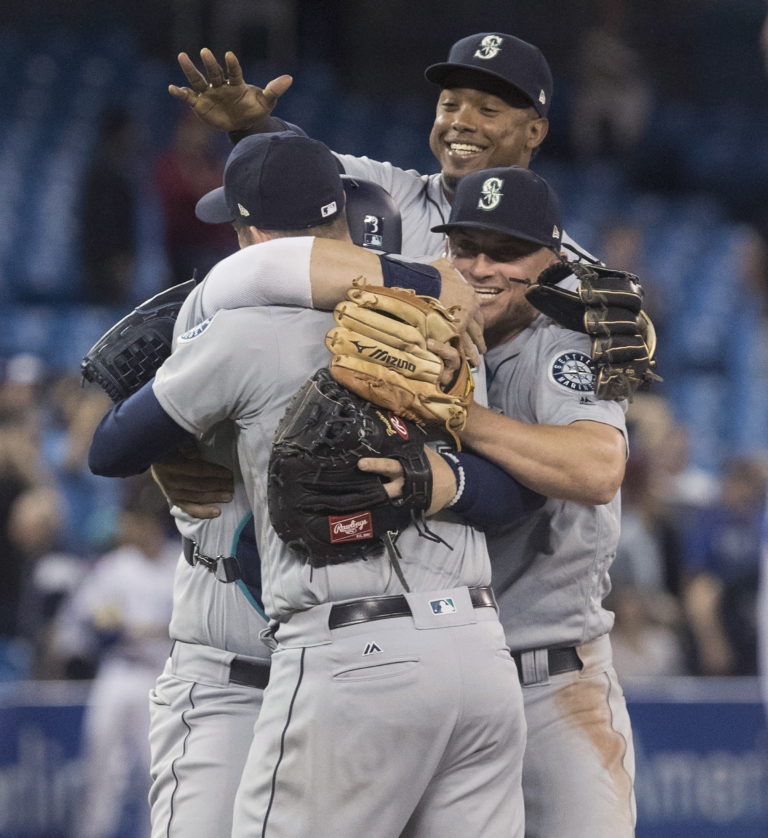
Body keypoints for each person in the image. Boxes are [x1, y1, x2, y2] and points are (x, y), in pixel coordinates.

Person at [90, 133, 530, 837]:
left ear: (251, 234)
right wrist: (443, 481)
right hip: (470, 645)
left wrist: (159, 444)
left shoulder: (234, 326)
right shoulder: (439, 336)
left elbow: (108, 446)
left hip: (333, 655)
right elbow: (519, 491)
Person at [202, 164, 637, 837]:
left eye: (507, 252)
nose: (482, 267)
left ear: (553, 263)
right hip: (442, 659)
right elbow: (272, 250)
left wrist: (458, 416)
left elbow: (598, 467)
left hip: (552, 676)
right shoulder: (404, 328)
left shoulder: (567, 341)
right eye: (466, 248)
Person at [168, 32, 599, 263]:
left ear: (535, 132)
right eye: (449, 105)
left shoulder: (560, 263)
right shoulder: (383, 190)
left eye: (488, 110)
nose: (460, 123)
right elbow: (297, 169)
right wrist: (252, 124)